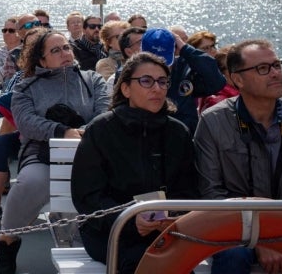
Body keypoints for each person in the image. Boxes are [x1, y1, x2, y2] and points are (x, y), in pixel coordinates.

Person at [194, 39, 282, 274]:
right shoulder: (213, 122)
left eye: (277, 65)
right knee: (233, 256)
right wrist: (260, 239)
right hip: (235, 229)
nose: (275, 74)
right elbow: (211, 194)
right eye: (263, 68)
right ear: (237, 79)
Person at [0, 30, 109, 274]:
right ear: (41, 60)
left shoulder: (92, 80)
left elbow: (105, 112)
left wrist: (85, 131)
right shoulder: (26, 87)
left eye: (66, 48)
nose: (65, 53)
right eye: (55, 50)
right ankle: (7, 240)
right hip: (41, 150)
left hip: (91, 150)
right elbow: (25, 122)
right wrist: (61, 130)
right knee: (32, 182)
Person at [71, 52, 197, 274]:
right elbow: (87, 196)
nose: (157, 88)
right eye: (146, 81)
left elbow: (189, 190)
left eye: (162, 81)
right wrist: (130, 220)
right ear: (125, 88)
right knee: (144, 262)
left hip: (167, 231)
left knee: (179, 263)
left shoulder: (178, 132)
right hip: (110, 231)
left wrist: (173, 216)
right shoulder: (101, 130)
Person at [0, 27, 47, 232]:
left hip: (64, 137)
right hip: (30, 136)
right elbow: (7, 105)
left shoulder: (76, 79)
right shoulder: (21, 79)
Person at [141, 27, 225, 135]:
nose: (161, 66)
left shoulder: (184, 68)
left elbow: (216, 83)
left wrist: (186, 49)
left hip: (184, 138)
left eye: (165, 61)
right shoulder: (131, 73)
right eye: (154, 61)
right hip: (146, 137)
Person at [199, 45, 239, 113]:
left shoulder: (242, 93)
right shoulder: (217, 102)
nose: (239, 70)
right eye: (232, 67)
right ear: (221, 73)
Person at [0, 17, 20, 90]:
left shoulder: (26, 50)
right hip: (7, 89)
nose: (7, 33)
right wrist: (8, 63)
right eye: (4, 30)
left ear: (19, 33)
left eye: (11, 31)